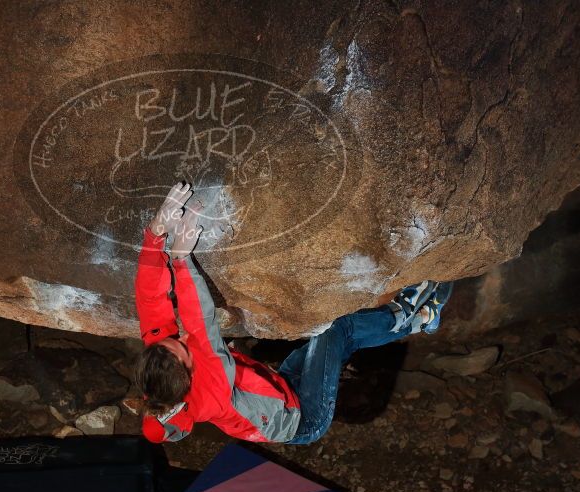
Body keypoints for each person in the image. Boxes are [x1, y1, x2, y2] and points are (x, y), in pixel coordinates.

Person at [134, 182, 453, 444]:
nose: (179, 339)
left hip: (281, 387)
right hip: (303, 417)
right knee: (335, 330)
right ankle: (412, 313)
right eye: (181, 348)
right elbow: (199, 323)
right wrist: (179, 259)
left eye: (170, 342)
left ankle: (421, 322)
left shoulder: (161, 367)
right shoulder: (210, 391)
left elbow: (150, 301)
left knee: (337, 338)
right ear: (190, 371)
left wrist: (156, 234)